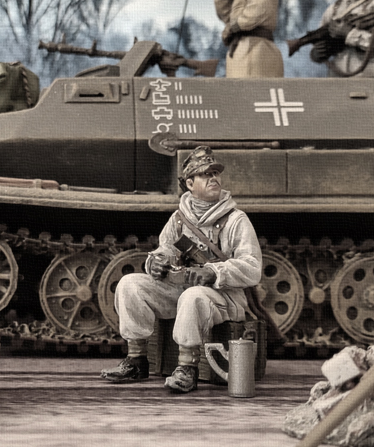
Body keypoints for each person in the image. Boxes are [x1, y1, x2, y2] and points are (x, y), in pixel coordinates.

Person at [100, 146, 262, 393]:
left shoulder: (235, 219)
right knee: (129, 284)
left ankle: (187, 368)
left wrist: (214, 272)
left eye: (215, 173)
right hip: (183, 290)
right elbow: (166, 248)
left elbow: (252, 267)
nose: (213, 178)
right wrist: (156, 262)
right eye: (205, 174)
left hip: (225, 297)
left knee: (192, 296)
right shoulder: (179, 219)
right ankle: (136, 359)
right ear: (189, 183)